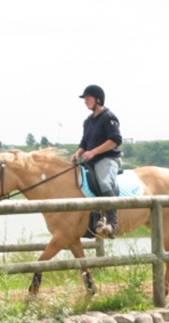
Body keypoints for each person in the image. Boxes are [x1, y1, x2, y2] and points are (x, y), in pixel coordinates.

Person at [72, 84, 123, 237]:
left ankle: (113, 223)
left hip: (107, 159)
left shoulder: (109, 117)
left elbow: (115, 140)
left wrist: (93, 152)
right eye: (85, 99)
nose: (85, 101)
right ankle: (95, 220)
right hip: (90, 161)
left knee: (104, 182)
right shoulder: (88, 121)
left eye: (88, 98)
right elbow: (84, 143)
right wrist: (78, 153)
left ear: (98, 99)